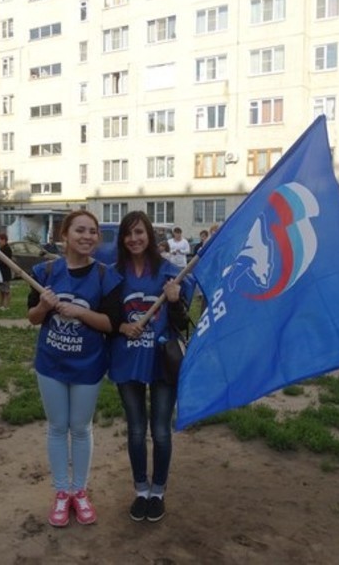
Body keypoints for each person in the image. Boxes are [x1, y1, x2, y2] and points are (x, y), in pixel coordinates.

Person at [26, 211, 123, 527]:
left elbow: (111, 324)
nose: (87, 236)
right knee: (57, 427)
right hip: (51, 364)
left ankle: (79, 491)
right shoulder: (45, 271)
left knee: (81, 428)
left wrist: (79, 312)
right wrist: (44, 306)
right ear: (64, 235)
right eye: (80, 230)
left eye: (93, 231)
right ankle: (61, 492)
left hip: (89, 365)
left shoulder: (105, 276)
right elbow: (33, 318)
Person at [108, 211, 191, 523]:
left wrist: (174, 300)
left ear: (150, 235)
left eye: (139, 232)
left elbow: (181, 322)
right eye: (128, 234)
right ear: (122, 239)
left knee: (160, 431)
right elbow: (107, 318)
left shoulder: (171, 273)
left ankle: (158, 491)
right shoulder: (114, 275)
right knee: (135, 430)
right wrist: (121, 326)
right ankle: (141, 489)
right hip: (126, 359)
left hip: (161, 362)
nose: (134, 239)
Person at [0, 233, 13, 310]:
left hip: (5, 273)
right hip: (0, 273)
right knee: (0, 290)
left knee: (6, 291)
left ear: (4, 240)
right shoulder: (0, 249)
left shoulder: (7, 249)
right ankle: (0, 305)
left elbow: (6, 261)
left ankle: (6, 306)